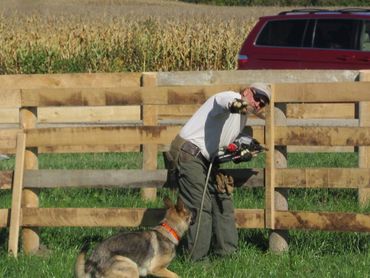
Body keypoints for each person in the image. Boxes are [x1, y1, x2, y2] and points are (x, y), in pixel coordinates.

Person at [164, 82, 271, 261]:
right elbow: (225, 101)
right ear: (246, 92)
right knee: (200, 206)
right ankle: (196, 260)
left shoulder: (241, 119)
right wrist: (237, 104)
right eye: (256, 97)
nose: (258, 103)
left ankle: (226, 254)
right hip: (188, 153)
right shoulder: (230, 98)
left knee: (223, 196)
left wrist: (240, 153)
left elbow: (224, 145)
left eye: (263, 102)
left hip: (205, 159)